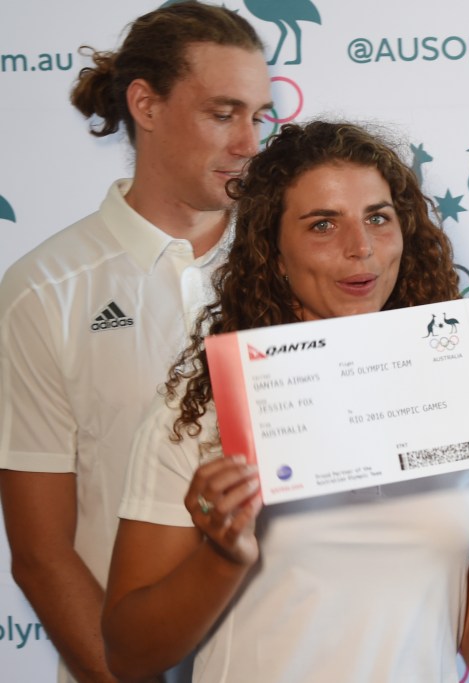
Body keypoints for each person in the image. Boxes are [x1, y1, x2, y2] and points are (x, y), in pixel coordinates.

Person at [100, 120, 469, 683]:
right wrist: (221, 555)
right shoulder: (200, 411)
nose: (361, 249)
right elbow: (130, 655)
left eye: (378, 218)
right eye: (323, 224)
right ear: (272, 252)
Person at [0, 3, 271, 681]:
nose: (249, 143)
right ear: (145, 105)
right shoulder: (45, 289)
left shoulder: (301, 263)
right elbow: (40, 551)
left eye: (258, 116)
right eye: (223, 113)